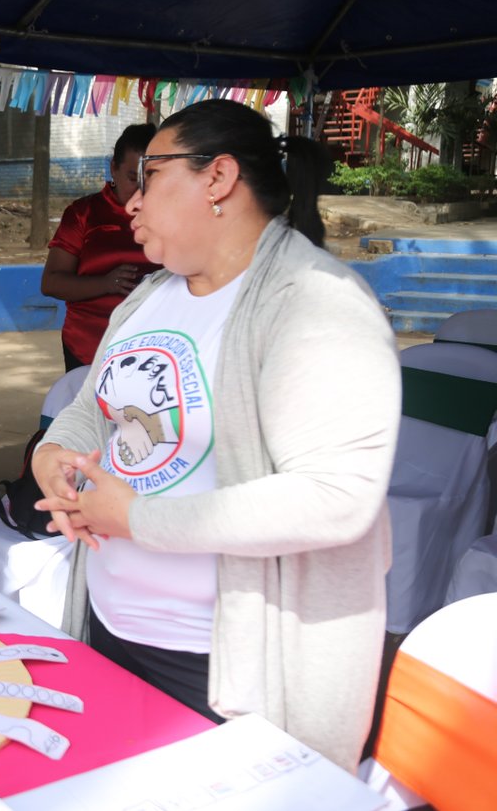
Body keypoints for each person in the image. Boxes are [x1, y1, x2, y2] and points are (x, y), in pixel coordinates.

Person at [32, 99, 401, 773]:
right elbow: (91, 407)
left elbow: (336, 496)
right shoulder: (151, 296)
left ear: (218, 178)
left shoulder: (317, 302)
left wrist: (136, 517)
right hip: (114, 628)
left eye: (150, 175)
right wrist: (52, 457)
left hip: (232, 673)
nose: (131, 201)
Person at [42, 123, 162, 370]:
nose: (142, 190)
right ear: (113, 169)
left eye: (151, 178)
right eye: (132, 178)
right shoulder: (84, 213)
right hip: (89, 346)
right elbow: (51, 282)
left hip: (155, 347)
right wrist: (107, 283)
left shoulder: (173, 216)